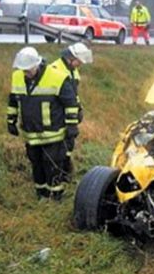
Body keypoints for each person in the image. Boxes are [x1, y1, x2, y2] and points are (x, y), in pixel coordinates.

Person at [7, 47, 80, 200]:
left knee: (52, 165)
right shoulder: (17, 76)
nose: (25, 73)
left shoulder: (57, 77)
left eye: (28, 70)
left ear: (37, 64)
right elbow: (13, 100)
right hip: (30, 134)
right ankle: (41, 194)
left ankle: (56, 195)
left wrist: (72, 125)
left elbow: (70, 102)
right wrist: (11, 121)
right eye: (23, 70)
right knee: (36, 164)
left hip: (53, 134)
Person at [51, 43, 93, 181]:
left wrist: (78, 108)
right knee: (59, 145)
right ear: (70, 58)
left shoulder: (73, 69)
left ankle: (65, 170)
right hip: (58, 114)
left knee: (69, 142)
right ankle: (58, 173)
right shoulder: (55, 69)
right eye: (79, 61)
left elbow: (74, 94)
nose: (80, 64)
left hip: (70, 112)